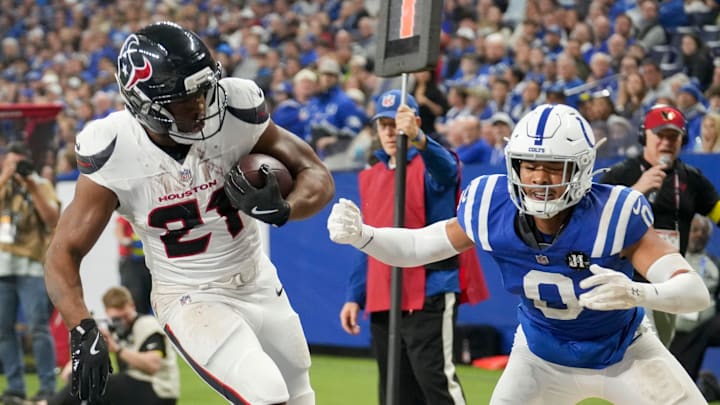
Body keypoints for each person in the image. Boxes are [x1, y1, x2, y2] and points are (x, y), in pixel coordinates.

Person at [328, 103, 712, 404]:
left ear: (581, 169)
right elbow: (417, 246)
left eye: (553, 168)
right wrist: (364, 235)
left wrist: (638, 293)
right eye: (530, 166)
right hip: (540, 358)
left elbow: (694, 291)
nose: (539, 179)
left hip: (624, 352)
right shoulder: (490, 204)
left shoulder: (612, 214)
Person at [44, 22, 334, 405]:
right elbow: (62, 252)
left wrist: (286, 209)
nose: (200, 106)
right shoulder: (115, 150)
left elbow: (316, 175)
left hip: (257, 279)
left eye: (203, 91)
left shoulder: (235, 111)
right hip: (189, 296)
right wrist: (82, 327)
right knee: (267, 393)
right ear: (144, 105)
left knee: (299, 394)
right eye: (184, 101)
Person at [338, 90, 487, 405]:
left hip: (429, 292)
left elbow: (447, 171)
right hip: (383, 296)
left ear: (414, 122)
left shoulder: (431, 161)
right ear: (377, 129)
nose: (391, 132)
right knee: (394, 391)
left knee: (436, 384)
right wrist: (355, 296)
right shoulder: (371, 176)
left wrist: (418, 138)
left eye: (397, 123)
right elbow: (366, 242)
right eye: (384, 124)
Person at [600, 104, 720, 346]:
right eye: (661, 135)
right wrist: (636, 191)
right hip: (626, 281)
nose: (667, 142)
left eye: (673, 136)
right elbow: (595, 225)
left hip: (668, 284)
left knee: (661, 351)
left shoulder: (692, 179)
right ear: (645, 136)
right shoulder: (620, 175)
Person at [47, 286, 180, 405]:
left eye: (125, 316)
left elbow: (153, 365)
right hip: (134, 388)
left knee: (98, 384)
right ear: (107, 312)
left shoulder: (147, 325)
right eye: (116, 319)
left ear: (132, 306)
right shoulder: (112, 330)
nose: (121, 322)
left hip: (159, 389)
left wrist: (118, 349)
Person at [0, 142, 60, 404]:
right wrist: (5, 178)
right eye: (11, 163)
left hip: (32, 265)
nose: (15, 168)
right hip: (2, 266)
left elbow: (52, 219)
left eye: (19, 163)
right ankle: (15, 388)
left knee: (38, 327)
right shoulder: (3, 185)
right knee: (3, 330)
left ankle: (47, 386)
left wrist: (32, 186)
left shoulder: (40, 185)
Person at [669, 215, 720, 393]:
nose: (699, 235)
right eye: (694, 230)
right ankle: (706, 387)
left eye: (703, 231)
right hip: (675, 328)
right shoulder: (671, 258)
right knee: (680, 381)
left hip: (706, 325)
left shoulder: (715, 264)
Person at [115, 216, 152, 314]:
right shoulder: (127, 215)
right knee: (135, 296)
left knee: (150, 294)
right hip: (130, 263)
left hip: (147, 262)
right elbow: (118, 231)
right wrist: (125, 240)